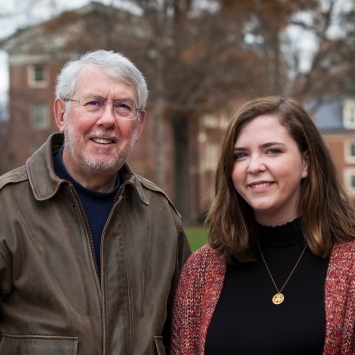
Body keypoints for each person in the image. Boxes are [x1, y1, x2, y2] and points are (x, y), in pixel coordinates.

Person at [0, 50, 191, 355]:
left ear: (139, 124)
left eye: (123, 107)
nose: (107, 119)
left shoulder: (161, 218)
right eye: (94, 103)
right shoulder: (7, 209)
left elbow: (185, 338)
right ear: (62, 114)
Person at [171, 96, 355, 354]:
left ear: (306, 163)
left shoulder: (350, 267)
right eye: (241, 155)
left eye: (272, 150)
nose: (254, 166)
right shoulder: (200, 272)